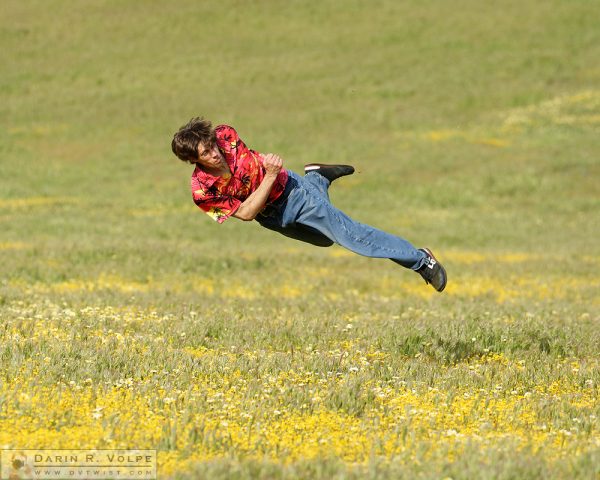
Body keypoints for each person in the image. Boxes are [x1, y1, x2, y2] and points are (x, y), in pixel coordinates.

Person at [171, 118, 447, 292]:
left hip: (293, 192)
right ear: (193, 161)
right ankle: (317, 176)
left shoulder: (225, 135)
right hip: (272, 218)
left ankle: (421, 260)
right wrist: (267, 175)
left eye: (212, 146)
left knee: (352, 237)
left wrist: (271, 174)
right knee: (325, 240)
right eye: (206, 153)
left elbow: (252, 166)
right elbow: (245, 213)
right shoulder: (202, 191)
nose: (215, 153)